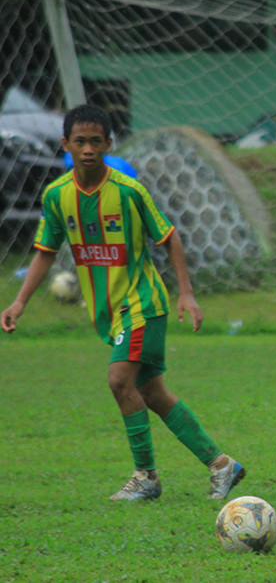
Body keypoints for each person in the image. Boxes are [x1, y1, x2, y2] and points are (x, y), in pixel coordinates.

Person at [1, 104, 245, 502]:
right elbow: (46, 251)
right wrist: (19, 303)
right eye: (80, 141)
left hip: (142, 303)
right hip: (110, 312)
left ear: (109, 144)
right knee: (153, 393)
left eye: (96, 141)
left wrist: (186, 292)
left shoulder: (129, 191)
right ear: (66, 144)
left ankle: (145, 476)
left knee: (119, 380)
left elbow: (169, 236)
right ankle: (222, 465)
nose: (88, 149)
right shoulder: (57, 196)